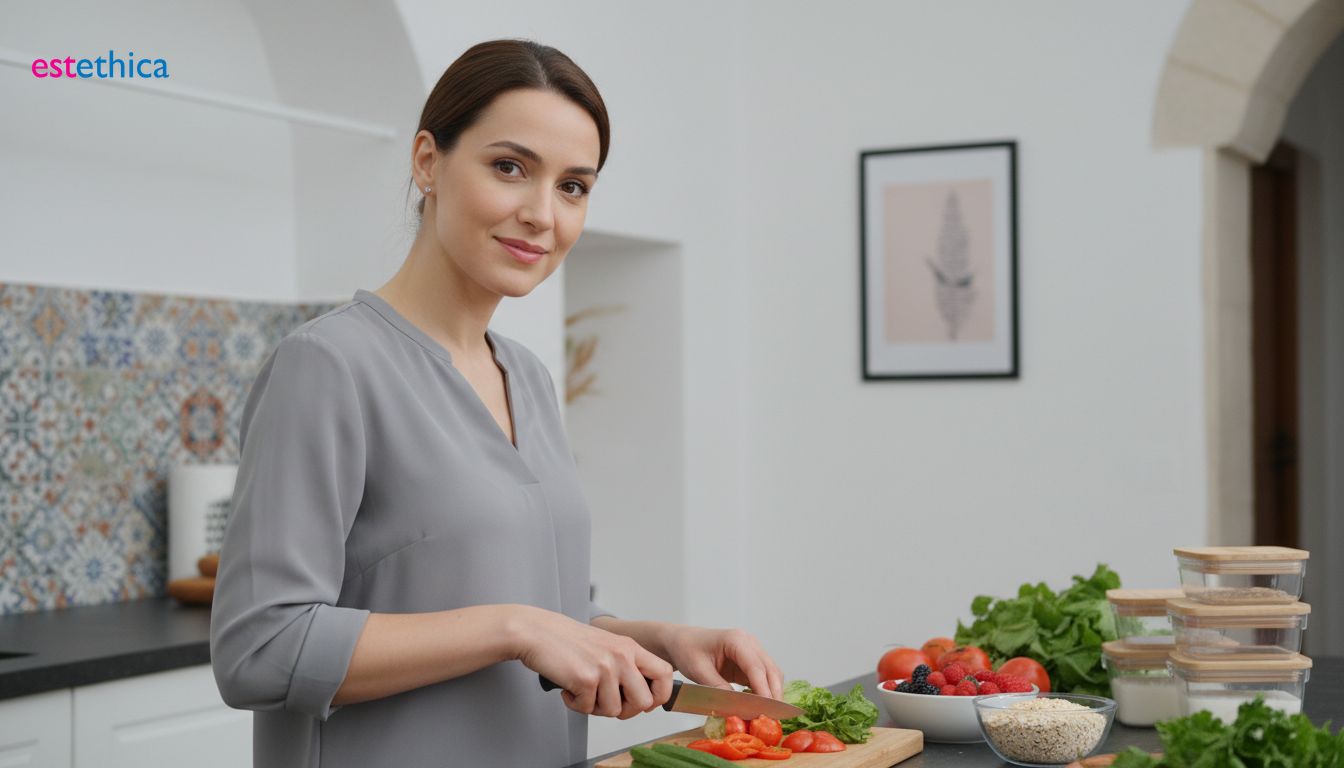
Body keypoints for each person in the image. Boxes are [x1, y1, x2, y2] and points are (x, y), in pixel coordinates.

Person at [209, 39, 784, 768]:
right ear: (428, 163)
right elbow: (259, 649)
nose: (543, 213)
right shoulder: (328, 366)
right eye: (510, 167)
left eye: (573, 186)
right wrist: (509, 627)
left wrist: (659, 641)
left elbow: (549, 609)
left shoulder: (530, 379)